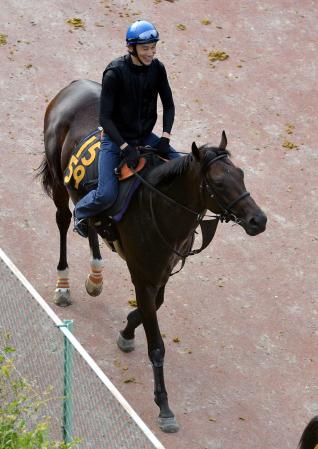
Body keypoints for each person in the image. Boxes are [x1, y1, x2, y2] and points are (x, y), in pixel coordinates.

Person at [74, 20, 180, 238]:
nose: (150, 53)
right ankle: (80, 212)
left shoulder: (158, 69)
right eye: (145, 48)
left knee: (182, 167)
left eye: (153, 47)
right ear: (131, 48)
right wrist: (124, 147)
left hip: (144, 137)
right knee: (106, 195)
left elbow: (168, 105)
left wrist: (165, 137)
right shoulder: (114, 73)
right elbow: (105, 117)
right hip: (114, 140)